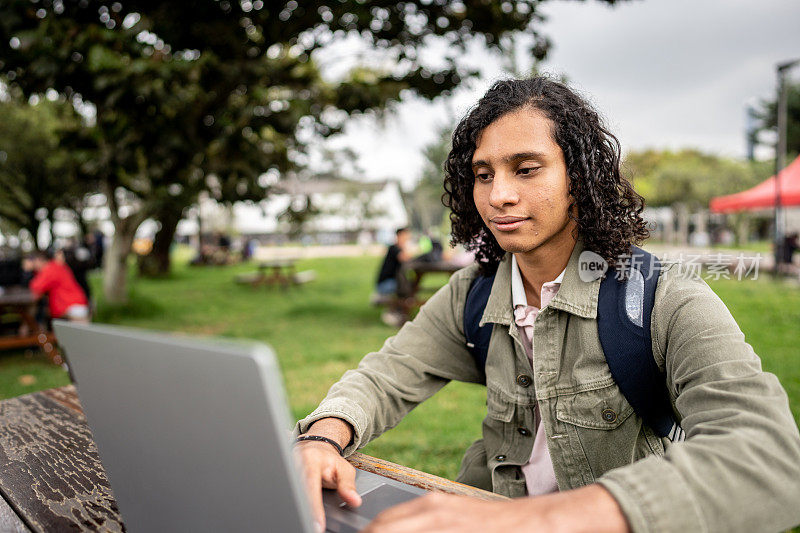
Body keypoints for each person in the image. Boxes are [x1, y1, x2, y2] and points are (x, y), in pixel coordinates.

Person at [294, 77, 800, 533]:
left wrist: (533, 521)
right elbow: (388, 374)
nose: (499, 195)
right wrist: (323, 438)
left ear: (579, 178)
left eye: (526, 169)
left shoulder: (663, 297)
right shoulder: (472, 293)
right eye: (484, 174)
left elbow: (770, 456)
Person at [23, 249, 90, 323]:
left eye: (34, 262)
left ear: (39, 260)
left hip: (73, 307)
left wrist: (27, 271)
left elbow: (35, 286)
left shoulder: (50, 269)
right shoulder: (55, 266)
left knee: (78, 334)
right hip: (74, 306)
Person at [374, 227, 413, 298]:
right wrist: (406, 247)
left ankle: (400, 307)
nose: (406, 239)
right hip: (385, 285)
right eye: (405, 236)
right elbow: (405, 258)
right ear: (399, 236)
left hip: (390, 282)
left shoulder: (397, 248)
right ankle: (401, 306)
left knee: (409, 284)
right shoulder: (394, 248)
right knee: (407, 286)